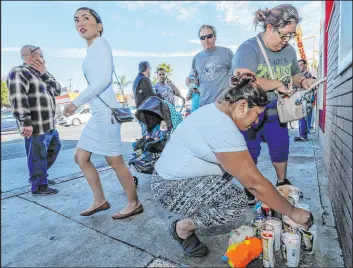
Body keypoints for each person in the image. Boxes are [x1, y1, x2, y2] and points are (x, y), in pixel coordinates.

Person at [151, 73, 313, 257]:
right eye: (257, 114)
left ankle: (194, 209)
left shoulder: (216, 111)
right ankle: (183, 228)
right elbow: (255, 184)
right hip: (168, 188)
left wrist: (264, 192)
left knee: (240, 175)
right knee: (234, 202)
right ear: (243, 106)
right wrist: (293, 212)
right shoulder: (222, 128)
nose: (257, 122)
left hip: (168, 178)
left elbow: (248, 173)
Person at [231, 4, 317, 205]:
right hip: (251, 110)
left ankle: (282, 181)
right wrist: (277, 84)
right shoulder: (248, 48)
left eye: (291, 36)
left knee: (280, 146)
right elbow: (244, 79)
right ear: (269, 28)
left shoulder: (289, 52)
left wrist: (303, 81)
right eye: (284, 35)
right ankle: (249, 187)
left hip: (277, 110)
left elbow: (294, 75)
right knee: (250, 150)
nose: (287, 41)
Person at [63, 7, 143, 219]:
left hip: (106, 113)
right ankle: (100, 200)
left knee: (115, 161)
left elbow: (104, 79)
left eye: (86, 18)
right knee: (81, 156)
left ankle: (134, 202)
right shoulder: (91, 50)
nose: (80, 22)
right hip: (97, 114)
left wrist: (75, 103)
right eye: (76, 19)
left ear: (99, 26)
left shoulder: (101, 43)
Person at [7, 45, 61, 196]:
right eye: (42, 55)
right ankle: (38, 186)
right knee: (37, 155)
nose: (44, 59)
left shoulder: (40, 74)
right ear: (32, 55)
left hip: (49, 125)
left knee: (55, 147)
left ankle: (39, 177)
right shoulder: (19, 72)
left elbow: (57, 90)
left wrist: (45, 73)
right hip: (35, 126)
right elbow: (18, 97)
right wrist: (26, 121)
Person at [185, 24, 233, 107]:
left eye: (209, 36)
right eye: (202, 38)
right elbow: (195, 82)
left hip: (224, 104)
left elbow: (236, 75)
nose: (206, 40)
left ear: (215, 37)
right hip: (204, 105)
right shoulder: (196, 58)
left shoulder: (226, 52)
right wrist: (189, 83)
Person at [132, 61, 158, 135]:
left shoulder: (136, 80)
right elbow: (151, 97)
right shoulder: (144, 79)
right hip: (146, 114)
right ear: (148, 69)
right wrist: (159, 95)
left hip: (140, 112)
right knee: (148, 137)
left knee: (145, 135)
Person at [294, 59, 315, 142]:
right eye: (298, 65)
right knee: (300, 117)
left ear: (305, 65)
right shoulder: (300, 75)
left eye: (301, 65)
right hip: (300, 98)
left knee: (303, 117)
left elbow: (306, 86)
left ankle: (304, 136)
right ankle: (301, 135)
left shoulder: (307, 74)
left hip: (305, 99)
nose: (299, 67)